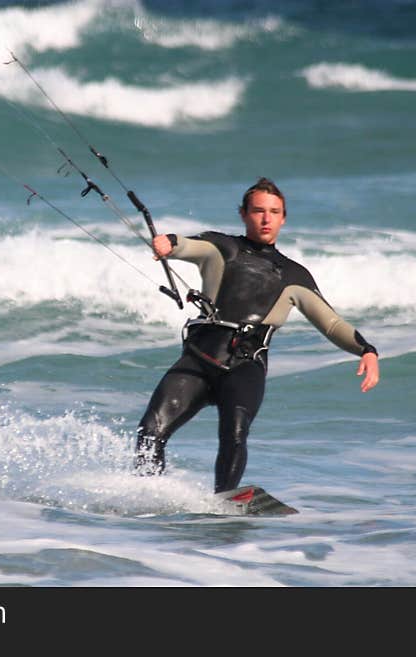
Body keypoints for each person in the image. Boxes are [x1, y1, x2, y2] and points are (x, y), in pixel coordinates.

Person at [134, 177, 380, 493]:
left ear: (283, 217)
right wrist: (168, 242)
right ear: (244, 214)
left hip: (244, 366)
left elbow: (331, 324)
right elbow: (187, 244)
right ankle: (146, 494)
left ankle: (223, 502)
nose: (266, 218)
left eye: (274, 212)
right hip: (198, 360)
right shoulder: (222, 248)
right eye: (258, 211)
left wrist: (367, 351)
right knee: (150, 430)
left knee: (234, 434)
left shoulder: (295, 276)